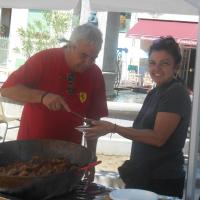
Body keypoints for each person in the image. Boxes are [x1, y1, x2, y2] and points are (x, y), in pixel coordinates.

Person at [84, 36, 191, 198]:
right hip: (143, 175)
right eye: (152, 62)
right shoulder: (155, 92)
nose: (157, 68)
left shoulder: (175, 93)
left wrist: (113, 128)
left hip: (161, 179)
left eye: (165, 63)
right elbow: (141, 132)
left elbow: (158, 138)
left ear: (176, 66)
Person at [0, 23, 108, 181]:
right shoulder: (44, 59)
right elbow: (7, 90)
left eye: (93, 58)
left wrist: (91, 156)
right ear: (70, 46)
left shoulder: (95, 74)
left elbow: (93, 122)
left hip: (68, 157)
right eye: (83, 55)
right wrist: (43, 96)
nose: (88, 63)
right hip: (30, 151)